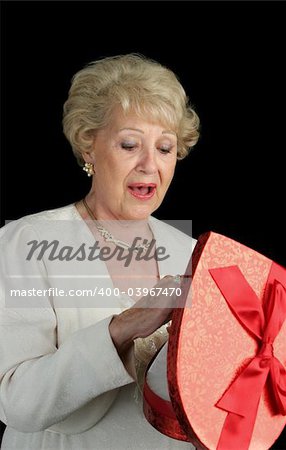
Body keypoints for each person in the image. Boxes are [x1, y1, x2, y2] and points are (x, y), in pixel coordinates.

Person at [0, 53, 200, 450]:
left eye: (164, 148)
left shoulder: (191, 251)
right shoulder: (28, 241)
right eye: (129, 144)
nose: (149, 165)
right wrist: (124, 327)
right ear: (88, 145)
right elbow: (15, 401)